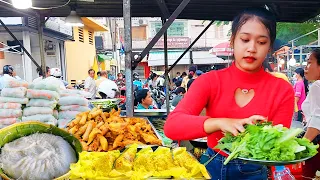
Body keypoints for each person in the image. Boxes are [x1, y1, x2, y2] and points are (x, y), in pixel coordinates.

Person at [164, 7, 295, 180]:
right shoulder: (209, 81)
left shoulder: (282, 89)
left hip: (255, 171)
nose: (252, 48)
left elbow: (277, 144)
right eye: (245, 39)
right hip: (212, 165)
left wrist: (254, 131)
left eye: (261, 42)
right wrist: (220, 123)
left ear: (270, 47)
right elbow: (172, 126)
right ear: (233, 41)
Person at [301, 49, 320, 179]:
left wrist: (301, 146)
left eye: (309, 62)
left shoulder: (317, 85)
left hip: (316, 145)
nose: (305, 67)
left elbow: (317, 120)